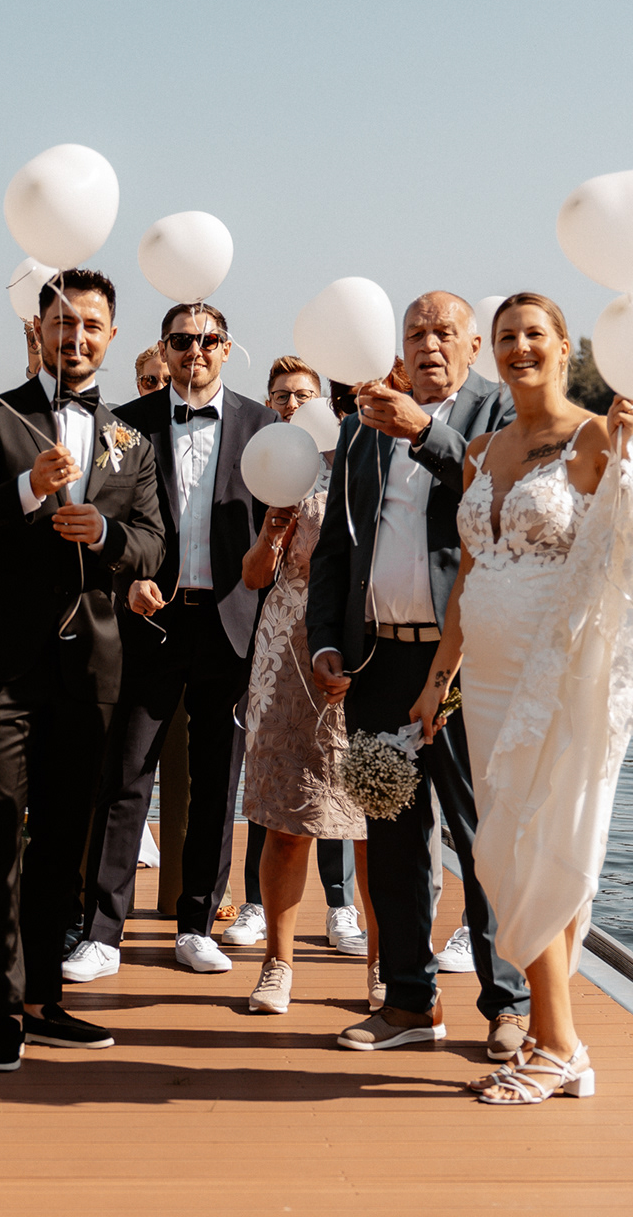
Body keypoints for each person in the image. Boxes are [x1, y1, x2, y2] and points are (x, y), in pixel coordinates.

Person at [410, 293, 633, 1104]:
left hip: (554, 674)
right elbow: (472, 569)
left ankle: (559, 1045)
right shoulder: (481, 449)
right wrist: (439, 675)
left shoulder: (593, 436)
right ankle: (557, 1042)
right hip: (483, 676)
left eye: (534, 336)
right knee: (501, 852)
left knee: (541, 846)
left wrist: (627, 460)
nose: (519, 348)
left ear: (564, 348)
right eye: (507, 337)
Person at [0, 269, 165, 1072]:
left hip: (90, 666)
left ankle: (43, 999)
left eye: (93, 325)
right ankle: (0, 1010)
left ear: (109, 334)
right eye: (63, 323)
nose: (78, 337)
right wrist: (27, 493)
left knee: (68, 837)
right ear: (39, 330)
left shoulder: (133, 442)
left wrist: (104, 531)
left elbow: (153, 545)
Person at [308, 290, 532, 1058]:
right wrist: (324, 642)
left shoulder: (499, 414)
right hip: (377, 665)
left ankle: (508, 1002)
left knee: (482, 839)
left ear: (474, 347)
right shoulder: (360, 427)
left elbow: (506, 504)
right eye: (416, 331)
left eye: (445, 332)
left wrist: (428, 434)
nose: (429, 344)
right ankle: (408, 1002)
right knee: (393, 837)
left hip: (463, 664)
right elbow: (336, 549)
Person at [66, 301, 277, 983]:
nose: (196, 352)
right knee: (124, 776)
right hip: (148, 618)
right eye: (183, 341)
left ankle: (195, 925)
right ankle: (102, 933)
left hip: (229, 622)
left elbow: (278, 529)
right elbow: (103, 522)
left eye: (210, 340)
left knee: (219, 782)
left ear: (227, 346)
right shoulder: (127, 426)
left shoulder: (263, 427)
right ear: (163, 349)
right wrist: (126, 580)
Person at [233, 357, 375, 1015]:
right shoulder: (272, 471)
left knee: (373, 823)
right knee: (287, 821)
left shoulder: (365, 465)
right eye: (281, 396)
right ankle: (277, 964)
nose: (292, 404)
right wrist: (270, 532)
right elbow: (255, 577)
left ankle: (382, 963)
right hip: (285, 658)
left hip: (362, 656)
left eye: (304, 395)